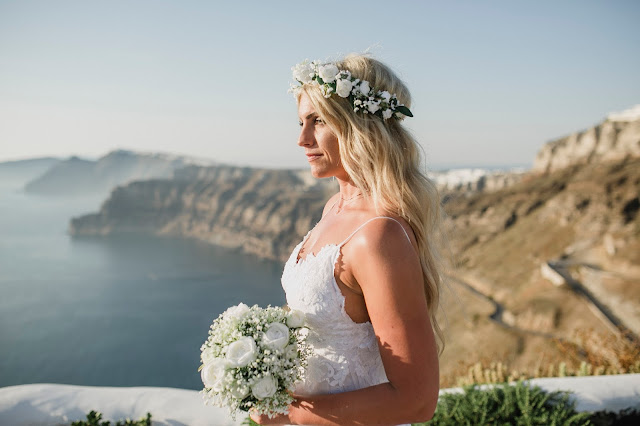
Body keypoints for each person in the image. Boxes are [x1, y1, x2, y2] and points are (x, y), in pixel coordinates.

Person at [251, 54, 443, 425]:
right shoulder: (334, 208)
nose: (302, 138)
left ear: (359, 126)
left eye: (318, 121)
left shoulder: (378, 236)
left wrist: (290, 416)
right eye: (301, 122)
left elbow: (417, 401)